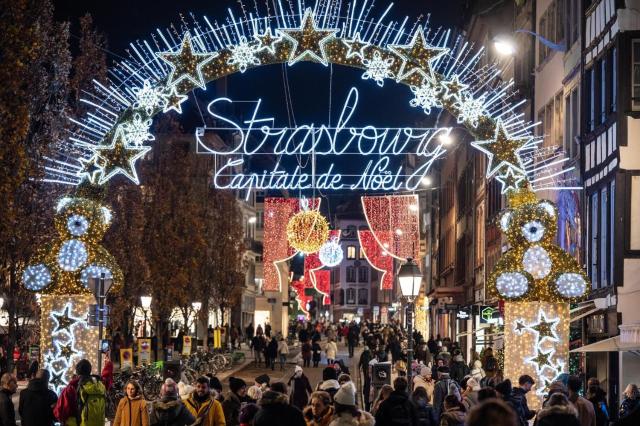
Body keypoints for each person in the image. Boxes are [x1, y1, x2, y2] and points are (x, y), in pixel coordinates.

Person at [54, 359, 106, 426]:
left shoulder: (72, 388)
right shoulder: (100, 386)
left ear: (77, 371)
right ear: (89, 371)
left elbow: (59, 413)